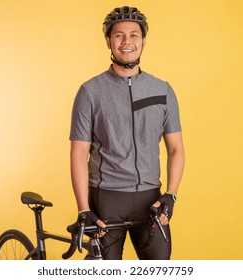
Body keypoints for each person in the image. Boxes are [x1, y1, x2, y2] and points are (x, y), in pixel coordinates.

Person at [69, 6, 185, 260]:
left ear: (143, 41)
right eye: (119, 35)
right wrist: (83, 210)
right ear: (109, 42)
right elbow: (78, 154)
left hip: (151, 200)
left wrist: (171, 194)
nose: (127, 42)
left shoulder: (162, 90)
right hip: (106, 200)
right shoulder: (90, 92)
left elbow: (176, 149)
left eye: (134, 35)